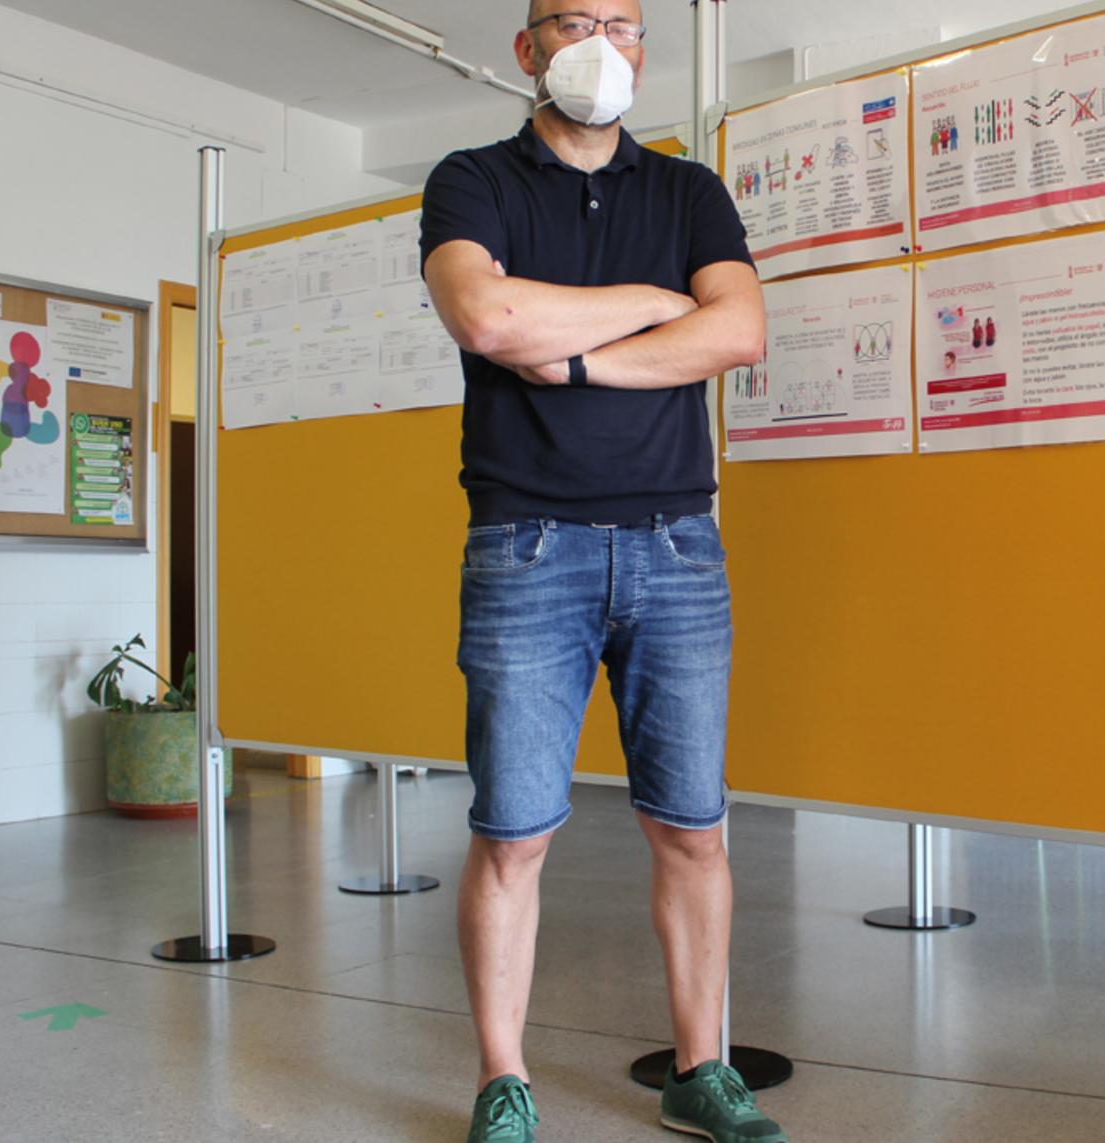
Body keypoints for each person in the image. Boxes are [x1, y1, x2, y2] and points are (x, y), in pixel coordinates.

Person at [418, 3, 780, 1141]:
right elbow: (486, 315)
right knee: (513, 832)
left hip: (677, 545)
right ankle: (502, 1083)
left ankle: (700, 1069)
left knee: (693, 829)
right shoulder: (472, 180)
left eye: (620, 23)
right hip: (526, 546)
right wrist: (658, 310)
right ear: (526, 48)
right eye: (570, 21)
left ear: (643, 49)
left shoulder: (687, 192)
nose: (596, 45)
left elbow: (738, 334)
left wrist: (570, 359)